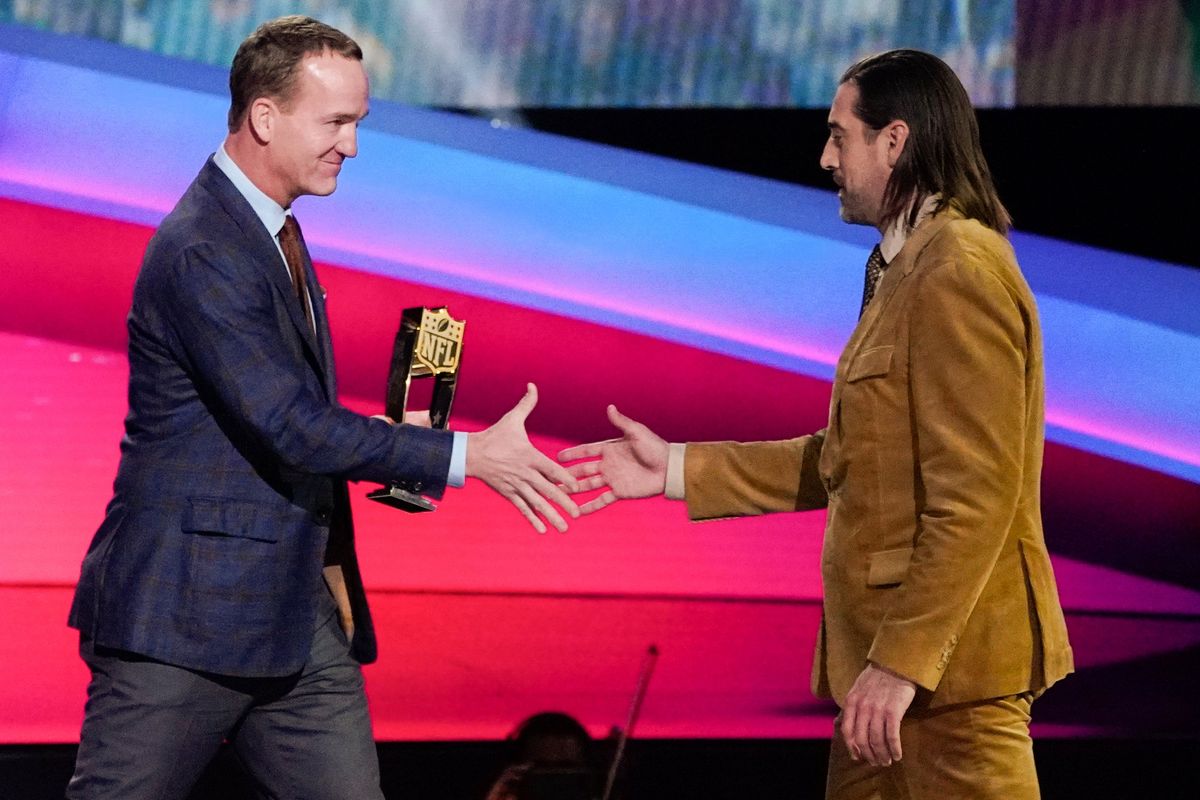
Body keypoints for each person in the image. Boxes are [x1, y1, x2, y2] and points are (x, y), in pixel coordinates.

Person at [66, 15, 579, 800]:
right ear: (265, 118)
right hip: (186, 615)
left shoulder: (273, 231)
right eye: (336, 122)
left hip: (292, 613)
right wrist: (466, 456)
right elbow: (288, 424)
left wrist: (393, 464)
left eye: (358, 122)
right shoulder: (207, 246)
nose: (353, 145)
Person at [560, 49, 1073, 800]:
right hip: (890, 685)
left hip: (946, 686)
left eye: (840, 136)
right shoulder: (906, 268)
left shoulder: (958, 269)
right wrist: (670, 468)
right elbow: (849, 458)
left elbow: (976, 497)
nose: (825, 156)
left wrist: (900, 664)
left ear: (894, 142)